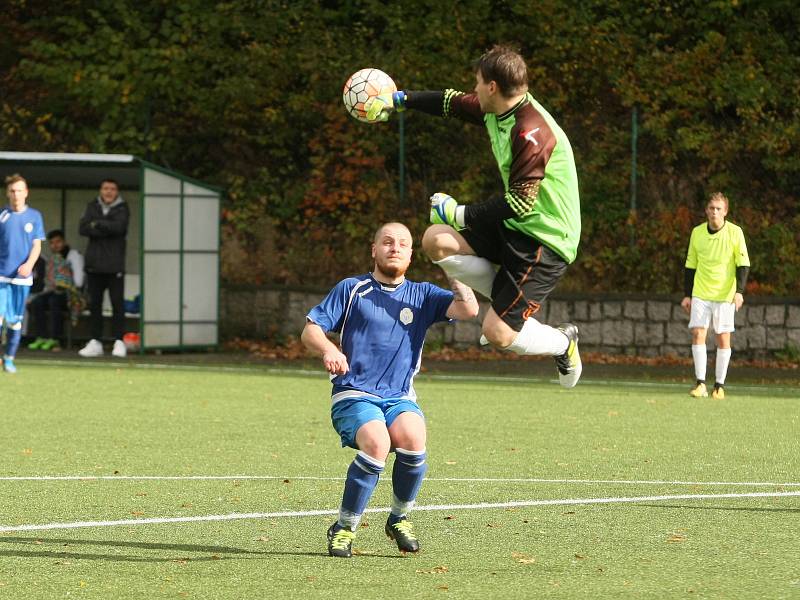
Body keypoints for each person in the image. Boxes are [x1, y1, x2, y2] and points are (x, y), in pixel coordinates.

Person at [365, 45, 582, 388]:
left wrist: (459, 213)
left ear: (493, 86)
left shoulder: (531, 133)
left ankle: (563, 342)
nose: (474, 88)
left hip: (545, 239)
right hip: (515, 224)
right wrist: (400, 99)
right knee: (436, 240)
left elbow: (522, 203)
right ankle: (504, 305)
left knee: (497, 333)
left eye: (478, 82)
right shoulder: (496, 107)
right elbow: (450, 102)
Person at [301, 222, 479, 558]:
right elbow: (311, 330)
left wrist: (449, 263)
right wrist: (329, 349)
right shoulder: (351, 289)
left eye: (402, 244)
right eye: (387, 242)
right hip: (354, 393)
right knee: (378, 442)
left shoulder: (423, 295)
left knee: (413, 440)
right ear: (374, 249)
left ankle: (398, 518)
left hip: (398, 396)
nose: (394, 248)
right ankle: (344, 527)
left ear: (411, 254)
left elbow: (469, 309)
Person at [681, 192, 750, 399]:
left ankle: (719, 385)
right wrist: (687, 295)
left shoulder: (735, 233)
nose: (714, 212)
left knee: (722, 337)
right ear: (706, 211)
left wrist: (739, 292)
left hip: (725, 295)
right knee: (698, 334)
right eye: (711, 208)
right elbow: (690, 265)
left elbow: (743, 264)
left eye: (719, 209)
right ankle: (700, 383)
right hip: (700, 292)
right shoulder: (697, 233)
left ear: (725, 211)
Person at [78, 179, 130, 358]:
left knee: (117, 304)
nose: (109, 192)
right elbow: (83, 228)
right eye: (105, 188)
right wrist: (105, 226)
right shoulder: (92, 206)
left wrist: (97, 224)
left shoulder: (123, 208)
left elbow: (119, 228)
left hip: (115, 265)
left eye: (112, 189)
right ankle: (95, 341)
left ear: (117, 192)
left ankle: (119, 341)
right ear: (100, 190)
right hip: (94, 265)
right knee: (95, 305)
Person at [0, 174, 46, 373]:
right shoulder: (2, 215)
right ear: (7, 193)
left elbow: (37, 246)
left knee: (15, 322)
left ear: (26, 193)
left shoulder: (35, 216)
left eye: (19, 190)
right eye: (12, 191)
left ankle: (9, 358)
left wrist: (29, 264)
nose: (16, 194)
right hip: (1, 276)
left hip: (21, 279)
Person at [27, 229, 85, 351]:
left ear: (64, 242)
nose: (55, 245)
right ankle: (41, 337)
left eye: (58, 242)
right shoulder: (52, 259)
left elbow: (79, 281)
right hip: (53, 292)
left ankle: (55, 339)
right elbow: (48, 283)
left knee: (54, 300)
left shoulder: (73, 255)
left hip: (71, 294)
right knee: (37, 302)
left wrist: (64, 282)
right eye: (52, 243)